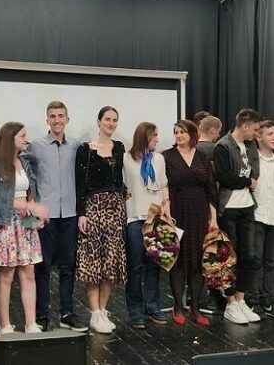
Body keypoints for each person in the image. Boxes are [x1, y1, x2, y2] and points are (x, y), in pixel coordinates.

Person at [21, 101, 87, 332]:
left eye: (61, 116)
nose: (57, 120)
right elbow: (20, 166)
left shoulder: (77, 146)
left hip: (69, 214)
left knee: (68, 266)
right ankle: (41, 314)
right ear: (47, 119)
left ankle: (67, 313)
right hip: (45, 217)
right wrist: (32, 198)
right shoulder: (35, 147)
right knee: (43, 266)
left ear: (67, 119)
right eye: (52, 116)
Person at [0, 122, 48, 335]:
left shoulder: (24, 162)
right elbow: (1, 200)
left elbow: (31, 192)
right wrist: (31, 207)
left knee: (29, 271)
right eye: (22, 135)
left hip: (25, 223)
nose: (25, 139)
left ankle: (31, 323)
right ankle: (5, 324)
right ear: (10, 138)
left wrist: (35, 214)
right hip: (7, 222)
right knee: (7, 274)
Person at [75, 106, 127, 334]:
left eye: (115, 120)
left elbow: (118, 178)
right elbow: (80, 184)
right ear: (98, 122)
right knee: (93, 261)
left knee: (111, 262)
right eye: (107, 119)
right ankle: (94, 312)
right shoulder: (85, 149)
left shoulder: (120, 147)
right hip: (94, 208)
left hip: (116, 210)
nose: (111, 123)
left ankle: (103, 310)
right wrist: (81, 213)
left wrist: (124, 193)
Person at [162, 119, 218, 327]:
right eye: (176, 132)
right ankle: (178, 306)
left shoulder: (202, 157)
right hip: (176, 211)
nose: (178, 135)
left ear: (192, 134)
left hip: (199, 213)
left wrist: (214, 219)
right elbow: (163, 186)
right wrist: (166, 212)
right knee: (177, 261)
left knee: (197, 261)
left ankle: (195, 308)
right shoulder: (167, 156)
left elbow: (210, 190)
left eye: (182, 132)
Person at [213, 108, 262, 325]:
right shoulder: (223, 146)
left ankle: (241, 300)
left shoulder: (250, 146)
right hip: (229, 208)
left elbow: (255, 171)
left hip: (247, 207)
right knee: (229, 257)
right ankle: (230, 302)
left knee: (249, 256)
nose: (256, 133)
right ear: (245, 126)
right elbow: (225, 178)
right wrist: (247, 181)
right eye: (255, 129)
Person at [123, 122, 170, 329]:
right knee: (135, 265)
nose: (157, 139)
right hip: (135, 217)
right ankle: (135, 309)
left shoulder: (159, 159)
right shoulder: (126, 158)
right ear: (144, 136)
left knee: (154, 264)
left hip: (155, 216)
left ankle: (152, 305)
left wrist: (166, 204)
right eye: (154, 136)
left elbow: (163, 185)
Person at [247, 120, 274, 316]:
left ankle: (268, 299)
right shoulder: (252, 159)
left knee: (271, 261)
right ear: (258, 137)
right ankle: (252, 298)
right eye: (270, 134)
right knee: (256, 260)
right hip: (257, 215)